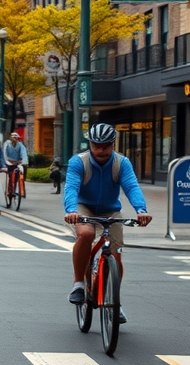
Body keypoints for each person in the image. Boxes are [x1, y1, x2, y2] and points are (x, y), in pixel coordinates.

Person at [63, 123, 152, 324]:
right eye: (96, 145)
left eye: (105, 146)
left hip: (110, 210)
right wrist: (71, 211)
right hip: (82, 207)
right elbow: (71, 188)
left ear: (113, 144)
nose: (101, 150)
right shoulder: (79, 162)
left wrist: (141, 210)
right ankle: (78, 284)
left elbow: (131, 186)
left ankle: (114, 302)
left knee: (115, 255)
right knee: (85, 234)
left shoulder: (122, 163)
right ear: (90, 144)